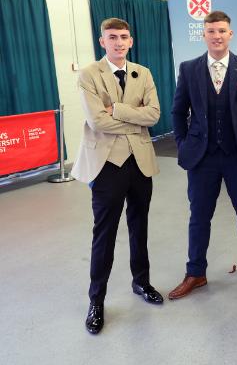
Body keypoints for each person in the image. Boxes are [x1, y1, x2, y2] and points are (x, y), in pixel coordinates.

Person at [72, 17, 163, 335]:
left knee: (140, 227)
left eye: (124, 37)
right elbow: (98, 122)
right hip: (106, 164)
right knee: (104, 233)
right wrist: (135, 117)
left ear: (131, 40)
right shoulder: (88, 75)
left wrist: (118, 111)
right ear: (102, 41)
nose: (119, 42)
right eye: (112, 37)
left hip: (139, 163)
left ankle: (142, 282)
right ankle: (96, 300)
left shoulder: (144, 72)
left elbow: (154, 115)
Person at [169, 11, 237, 300]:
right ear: (204, 35)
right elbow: (178, 111)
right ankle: (195, 271)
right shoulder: (188, 69)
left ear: (230, 33)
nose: (217, 36)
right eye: (211, 31)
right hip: (202, 157)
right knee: (199, 215)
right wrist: (184, 143)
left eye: (222, 30)